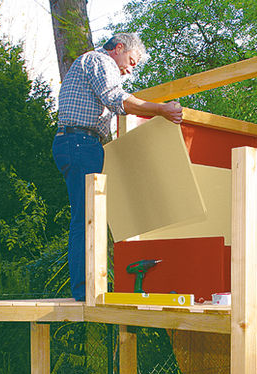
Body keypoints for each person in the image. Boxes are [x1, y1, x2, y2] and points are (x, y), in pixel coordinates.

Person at [52, 33, 183, 301]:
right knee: (86, 218)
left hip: (79, 143)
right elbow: (117, 99)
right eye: (132, 62)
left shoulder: (91, 65)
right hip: (79, 143)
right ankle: (84, 290)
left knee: (86, 216)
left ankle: (84, 288)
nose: (130, 69)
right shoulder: (101, 61)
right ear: (119, 48)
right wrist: (161, 110)